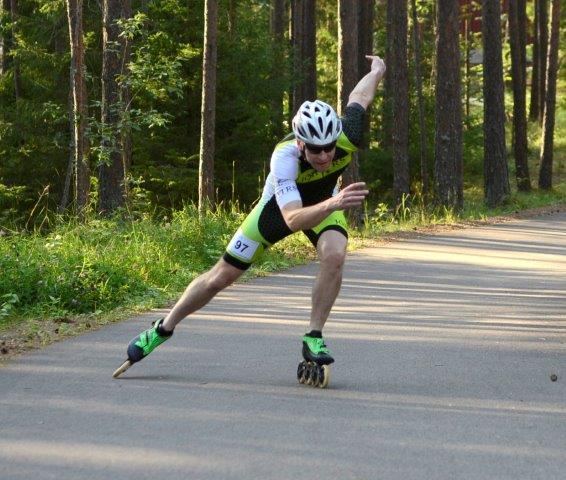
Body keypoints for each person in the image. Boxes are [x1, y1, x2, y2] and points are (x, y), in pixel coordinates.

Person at [117, 55, 386, 377]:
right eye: (315, 149)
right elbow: (292, 219)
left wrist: (377, 70)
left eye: (329, 147)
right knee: (221, 277)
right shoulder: (284, 158)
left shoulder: (347, 134)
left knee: (335, 255)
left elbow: (360, 96)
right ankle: (163, 328)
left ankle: (314, 336)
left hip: (325, 202)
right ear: (301, 144)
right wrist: (334, 203)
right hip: (279, 210)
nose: (325, 155)